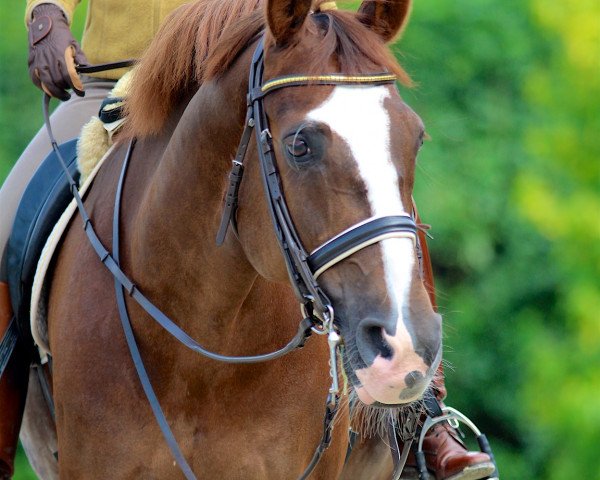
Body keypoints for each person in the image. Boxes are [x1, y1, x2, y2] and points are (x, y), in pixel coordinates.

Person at [0, 1, 494, 478]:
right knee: (5, 224)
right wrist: (47, 14)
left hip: (264, 64)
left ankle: (427, 419)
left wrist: (310, 26)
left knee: (380, 203)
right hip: (113, 80)